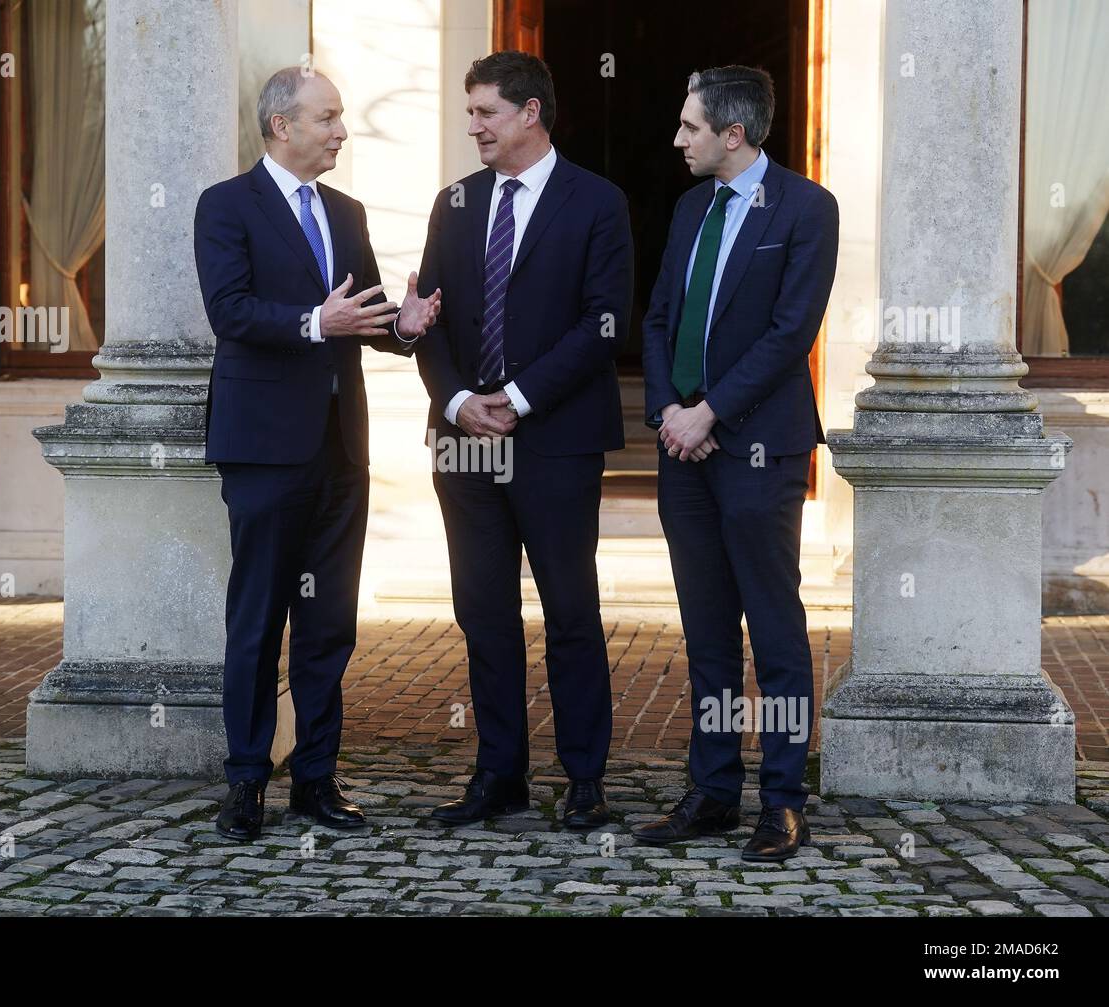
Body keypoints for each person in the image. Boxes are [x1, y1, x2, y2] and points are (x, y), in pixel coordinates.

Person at [194, 67, 440, 840]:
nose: (340, 131)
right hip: (264, 449)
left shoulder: (346, 210)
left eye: (340, 118)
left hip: (340, 450)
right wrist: (313, 323)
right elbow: (229, 311)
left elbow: (359, 315)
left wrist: (405, 324)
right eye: (327, 118)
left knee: (329, 621)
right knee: (257, 619)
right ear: (281, 126)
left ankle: (316, 779)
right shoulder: (224, 206)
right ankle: (243, 782)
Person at [414, 51, 634, 829]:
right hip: (465, 443)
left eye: (485, 113)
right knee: (483, 611)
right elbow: (426, 315)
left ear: (530, 113)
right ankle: (498, 775)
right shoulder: (455, 202)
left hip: (557, 440)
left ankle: (584, 779)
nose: (472, 125)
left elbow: (604, 323)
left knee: (570, 610)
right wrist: (458, 400)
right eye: (469, 112)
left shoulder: (597, 202)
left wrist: (518, 395)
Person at [634, 65, 838, 861]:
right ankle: (714, 790)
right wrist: (668, 414)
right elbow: (656, 318)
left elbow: (791, 333)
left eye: (690, 127)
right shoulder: (689, 207)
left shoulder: (807, 208)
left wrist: (709, 411)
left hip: (758, 445)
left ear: (733, 133)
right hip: (685, 452)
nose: (677, 139)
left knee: (775, 628)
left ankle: (782, 799)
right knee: (707, 629)